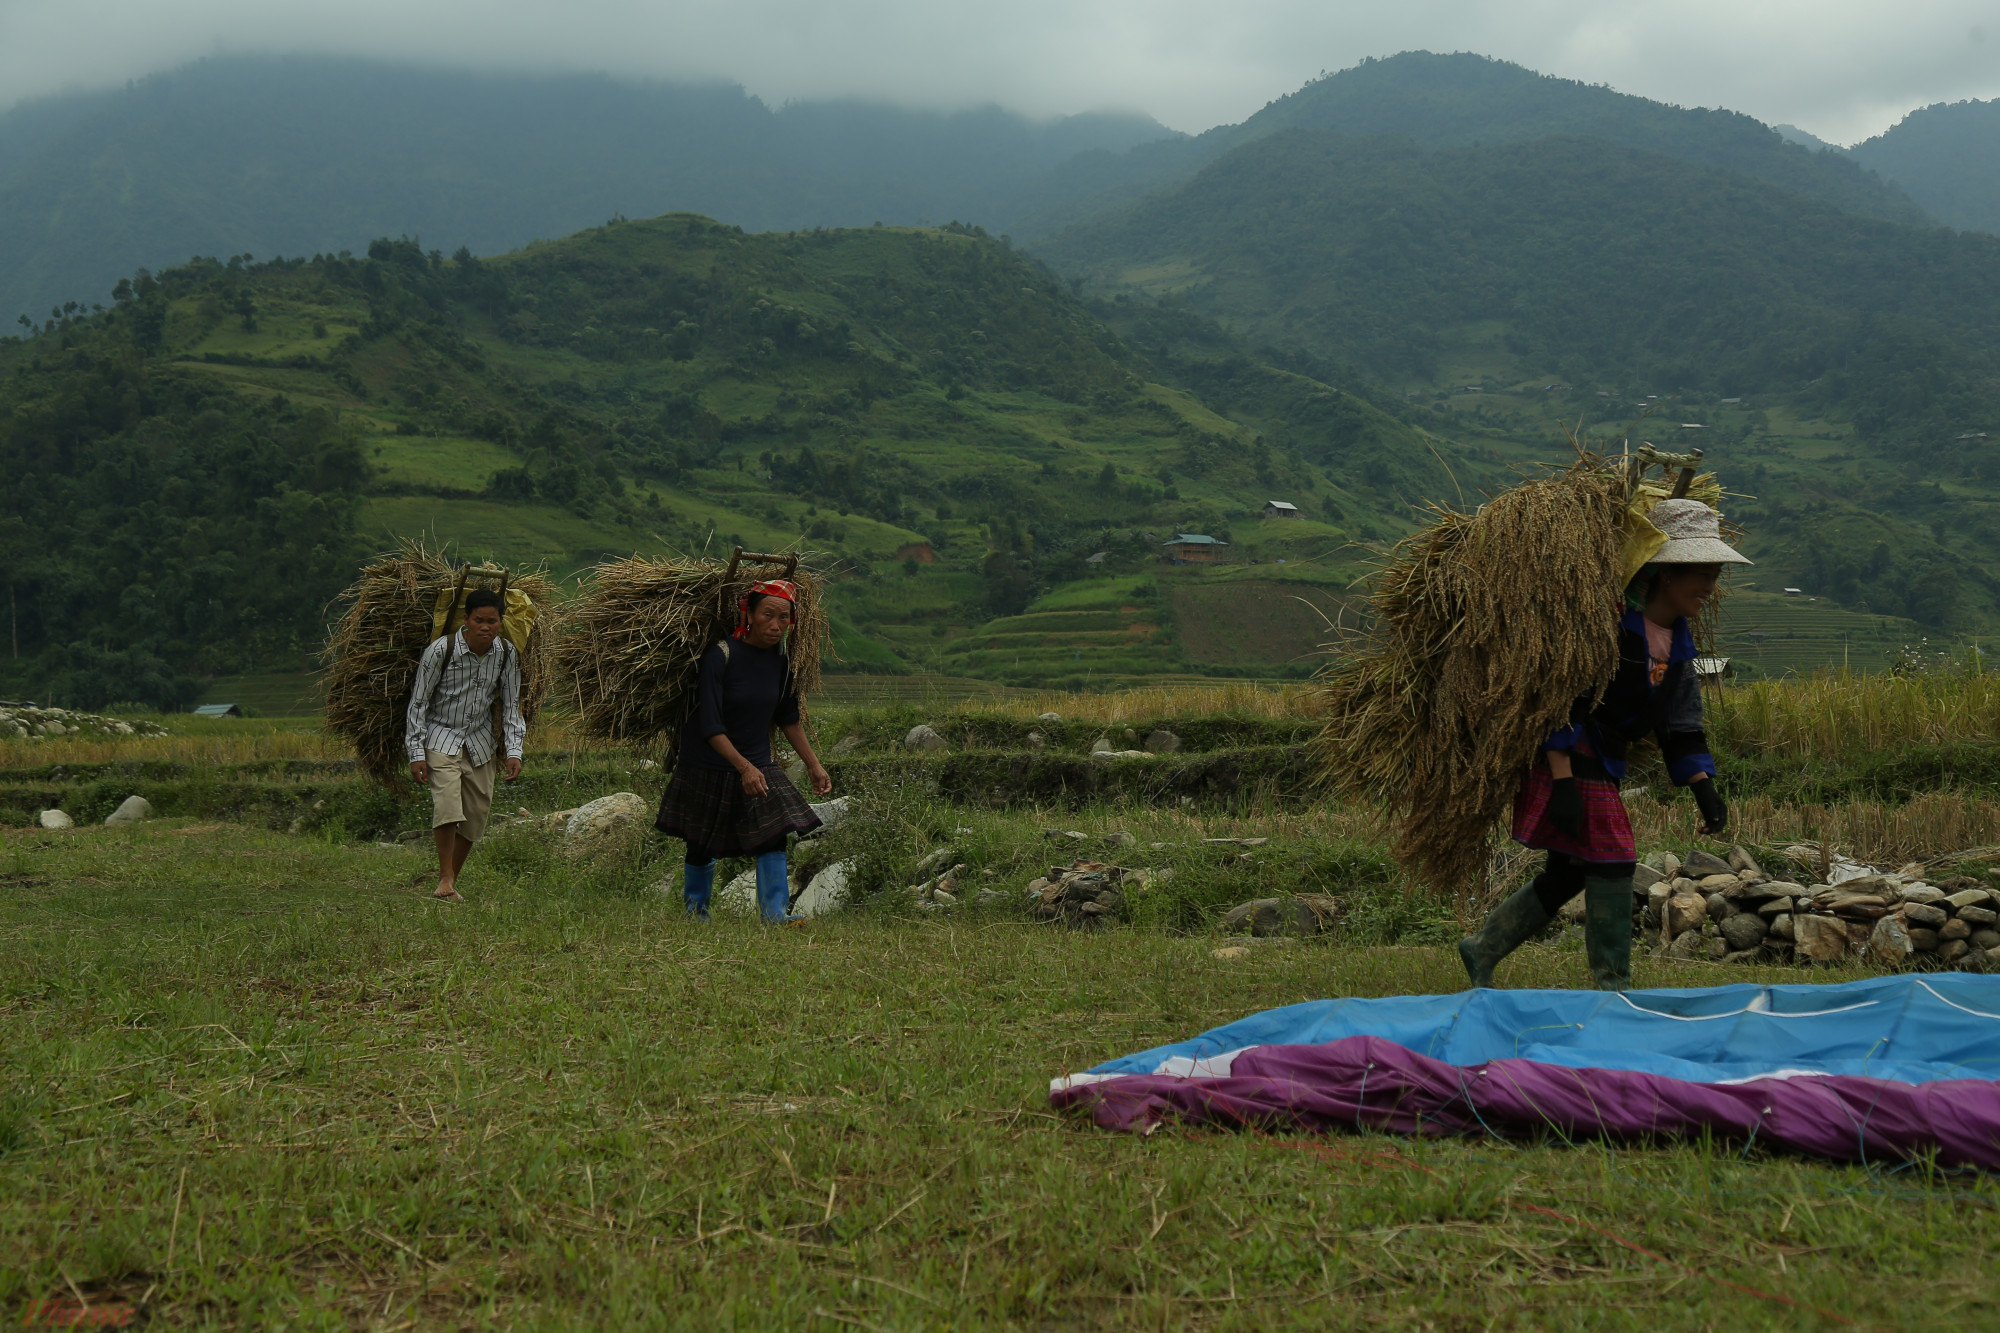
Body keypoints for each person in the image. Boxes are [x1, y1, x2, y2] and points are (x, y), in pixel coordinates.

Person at [1458, 497, 1746, 991]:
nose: (1709, 586)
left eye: (1714, 574)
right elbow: (1560, 701)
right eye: (1700, 572)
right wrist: (1564, 782)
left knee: (1571, 869)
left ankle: (1483, 947)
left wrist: (1704, 787)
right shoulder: (1608, 625)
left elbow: (1680, 719)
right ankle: (1612, 983)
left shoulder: (1678, 640)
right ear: (1665, 573)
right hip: (1568, 752)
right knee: (1615, 854)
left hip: (1604, 757)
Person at [653, 579, 833, 921]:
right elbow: (710, 726)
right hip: (708, 762)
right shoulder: (719, 656)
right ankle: (696, 914)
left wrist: (813, 764)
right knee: (702, 842)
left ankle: (775, 916)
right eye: (768, 615)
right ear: (748, 614)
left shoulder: (782, 665)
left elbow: (788, 718)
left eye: (784, 618)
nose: (776, 625)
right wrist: (743, 767)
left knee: (775, 834)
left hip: (758, 762)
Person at [405, 588, 524, 901]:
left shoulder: (507, 654)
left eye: (492, 621)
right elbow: (418, 703)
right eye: (479, 620)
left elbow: (512, 706)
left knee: (474, 817)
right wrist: (416, 753)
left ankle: (450, 882)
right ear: (467, 620)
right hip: (441, 736)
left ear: (500, 622)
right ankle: (444, 878)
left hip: (480, 742)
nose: (486, 627)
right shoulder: (440, 651)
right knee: (447, 807)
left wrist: (514, 751)